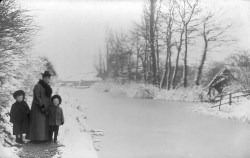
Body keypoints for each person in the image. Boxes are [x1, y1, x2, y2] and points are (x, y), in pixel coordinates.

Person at [29, 71, 53, 142]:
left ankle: (44, 138)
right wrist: (41, 106)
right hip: (38, 107)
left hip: (46, 107)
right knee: (38, 122)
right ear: (42, 78)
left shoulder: (48, 87)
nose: (46, 79)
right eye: (45, 78)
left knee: (44, 123)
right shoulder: (38, 85)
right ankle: (36, 138)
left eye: (48, 78)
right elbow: (37, 96)